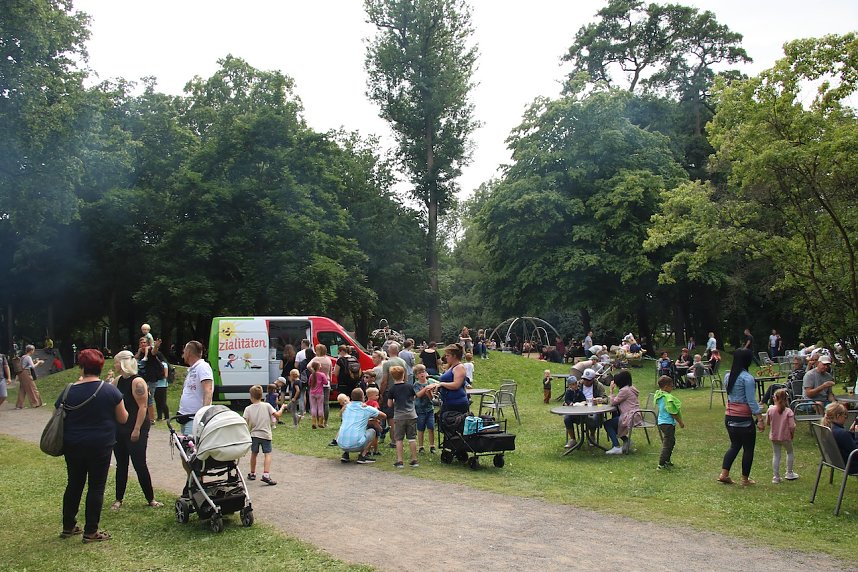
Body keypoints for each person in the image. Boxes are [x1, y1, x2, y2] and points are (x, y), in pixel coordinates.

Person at [59, 349, 128, 543]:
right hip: (100, 445)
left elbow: (59, 412)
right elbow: (123, 418)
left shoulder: (69, 390)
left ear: (81, 367)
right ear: (100, 367)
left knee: (74, 483)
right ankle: (91, 531)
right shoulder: (109, 390)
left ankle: (68, 526)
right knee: (96, 487)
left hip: (73, 444)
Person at [107, 350, 162, 511]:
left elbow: (143, 407)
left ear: (123, 363)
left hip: (136, 426)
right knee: (121, 464)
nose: (115, 365)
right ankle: (118, 499)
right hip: (121, 427)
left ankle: (150, 498)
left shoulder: (138, 382)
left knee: (139, 463)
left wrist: (137, 429)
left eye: (116, 362)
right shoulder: (118, 380)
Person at [718, 349, 764, 486]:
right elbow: (751, 401)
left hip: (729, 415)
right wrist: (760, 419)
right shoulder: (747, 378)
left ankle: (724, 474)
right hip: (743, 418)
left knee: (735, 445)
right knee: (748, 448)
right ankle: (745, 479)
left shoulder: (728, 376)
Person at [244, 385, 288, 485]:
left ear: (251, 397)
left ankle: (252, 473)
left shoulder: (248, 409)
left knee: (254, 454)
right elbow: (277, 415)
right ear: (261, 396)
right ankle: (266, 475)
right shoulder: (267, 405)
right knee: (267, 454)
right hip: (265, 434)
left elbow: (244, 422)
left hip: (254, 434)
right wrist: (282, 407)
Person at [387, 365, 425, 468]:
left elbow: (389, 404)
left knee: (399, 439)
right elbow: (413, 398)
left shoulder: (392, 389)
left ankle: (400, 460)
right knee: (412, 438)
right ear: (403, 375)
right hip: (411, 415)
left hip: (399, 416)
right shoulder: (409, 386)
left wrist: (395, 401)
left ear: (392, 376)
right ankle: (414, 459)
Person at [338, 388, 387, 464]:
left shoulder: (346, 408)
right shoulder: (366, 408)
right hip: (356, 445)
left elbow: (341, 415)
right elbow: (384, 416)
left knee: (350, 426)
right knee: (372, 431)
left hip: (341, 443)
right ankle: (362, 456)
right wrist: (373, 418)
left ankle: (345, 454)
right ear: (362, 397)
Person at [177, 341, 213, 435]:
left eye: (184, 351)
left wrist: (203, 415)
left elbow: (208, 390)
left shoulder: (203, 367)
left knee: (191, 447)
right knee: (185, 447)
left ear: (188, 352)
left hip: (195, 418)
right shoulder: (193, 368)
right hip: (186, 416)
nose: (183, 354)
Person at [604, 370, 640, 455]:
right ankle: (626, 441)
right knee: (615, 419)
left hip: (630, 416)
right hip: (636, 415)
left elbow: (613, 402)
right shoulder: (631, 388)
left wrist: (611, 391)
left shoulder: (625, 390)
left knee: (608, 424)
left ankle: (616, 447)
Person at [766, 388, 798, 483]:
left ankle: (776, 477)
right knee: (790, 452)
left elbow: (768, 423)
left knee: (776, 455)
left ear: (774, 398)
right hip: (785, 436)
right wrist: (792, 434)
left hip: (774, 436)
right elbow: (792, 426)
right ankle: (789, 472)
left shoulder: (770, 409)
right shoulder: (788, 411)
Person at [655, 376, 684, 469]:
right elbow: (672, 412)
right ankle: (661, 463)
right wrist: (680, 422)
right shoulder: (667, 398)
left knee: (671, 441)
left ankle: (667, 460)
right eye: (671, 386)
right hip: (667, 423)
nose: (673, 387)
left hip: (661, 422)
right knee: (667, 444)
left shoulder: (659, 395)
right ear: (666, 387)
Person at [431, 343, 470, 415]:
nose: (446, 357)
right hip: (448, 402)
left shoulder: (459, 367)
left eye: (448, 355)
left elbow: (456, 385)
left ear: (454, 356)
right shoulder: (451, 367)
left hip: (457, 403)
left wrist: (441, 384)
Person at [821, 402, 858, 474]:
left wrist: (851, 433)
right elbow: (856, 453)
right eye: (845, 416)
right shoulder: (842, 433)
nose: (846, 419)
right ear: (838, 416)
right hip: (851, 465)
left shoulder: (827, 429)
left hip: (837, 462)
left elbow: (847, 443)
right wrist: (856, 434)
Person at [412, 364, 436, 454]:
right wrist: (426, 389)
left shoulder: (429, 383)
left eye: (423, 372)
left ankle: (432, 445)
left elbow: (431, 398)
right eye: (419, 373)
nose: (422, 374)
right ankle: (421, 446)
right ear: (416, 375)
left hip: (429, 409)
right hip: (419, 410)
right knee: (421, 428)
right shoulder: (416, 385)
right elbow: (418, 395)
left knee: (431, 427)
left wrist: (429, 392)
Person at [306, 344, 332, 425]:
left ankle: (318, 421)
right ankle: (325, 421)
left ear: (319, 351)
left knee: (317, 403)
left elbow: (308, 366)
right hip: (326, 382)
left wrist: (314, 372)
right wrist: (329, 380)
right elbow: (330, 371)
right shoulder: (328, 359)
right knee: (326, 403)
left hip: (317, 383)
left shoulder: (316, 359)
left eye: (316, 350)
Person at [16, 344, 43, 409]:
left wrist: (34, 361)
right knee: (32, 388)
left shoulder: (23, 357)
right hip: (26, 373)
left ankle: (19, 405)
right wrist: (38, 362)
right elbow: (33, 367)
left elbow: (27, 365)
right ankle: (36, 403)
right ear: (31, 350)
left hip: (21, 374)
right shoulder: (28, 357)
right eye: (33, 350)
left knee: (22, 390)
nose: (33, 351)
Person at [562, 376, 585, 448]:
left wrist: (582, 403)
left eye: (575, 384)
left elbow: (584, 399)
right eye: (573, 384)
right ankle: (573, 439)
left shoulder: (580, 391)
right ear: (569, 385)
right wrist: (570, 403)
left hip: (581, 412)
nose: (575, 386)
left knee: (590, 418)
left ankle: (590, 436)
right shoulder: (568, 392)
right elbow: (567, 400)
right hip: (571, 412)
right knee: (567, 419)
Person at [307, 361, 327, 429]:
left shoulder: (311, 375)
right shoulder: (322, 374)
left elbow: (309, 383)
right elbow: (326, 382)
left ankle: (313, 422)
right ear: (318, 367)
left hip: (312, 393)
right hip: (320, 393)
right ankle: (320, 422)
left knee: (313, 407)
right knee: (320, 407)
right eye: (320, 365)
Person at [364, 387, 382, 456]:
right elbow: (375, 411)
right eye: (376, 395)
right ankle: (375, 450)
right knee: (376, 437)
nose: (378, 396)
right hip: (374, 422)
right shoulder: (375, 403)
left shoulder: (365, 403)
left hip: (367, 422)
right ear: (371, 396)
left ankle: (367, 450)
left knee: (368, 437)